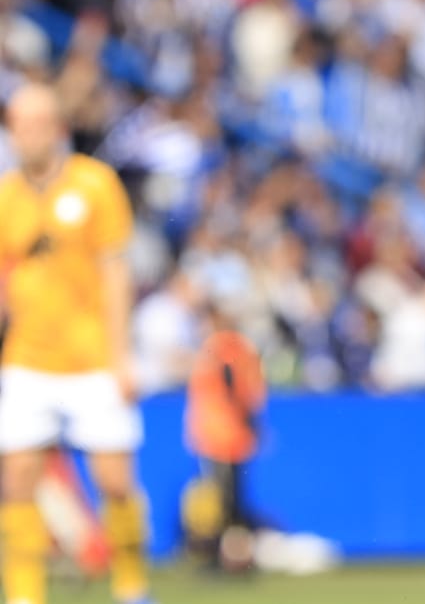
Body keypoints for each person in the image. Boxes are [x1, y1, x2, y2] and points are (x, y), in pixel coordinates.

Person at [0, 84, 153, 604]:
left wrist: (122, 356)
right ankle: (24, 596)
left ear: (59, 128)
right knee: (19, 474)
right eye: (18, 124)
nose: (27, 134)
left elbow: (115, 273)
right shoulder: (6, 197)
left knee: (113, 479)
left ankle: (131, 587)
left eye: (38, 122)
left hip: (92, 358)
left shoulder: (95, 185)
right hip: (27, 357)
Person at [184, 304, 267, 571]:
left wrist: (245, 418)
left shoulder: (224, 346)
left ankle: (228, 557)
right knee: (229, 499)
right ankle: (234, 555)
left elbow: (233, 382)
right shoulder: (238, 346)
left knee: (224, 500)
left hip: (223, 437)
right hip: (226, 435)